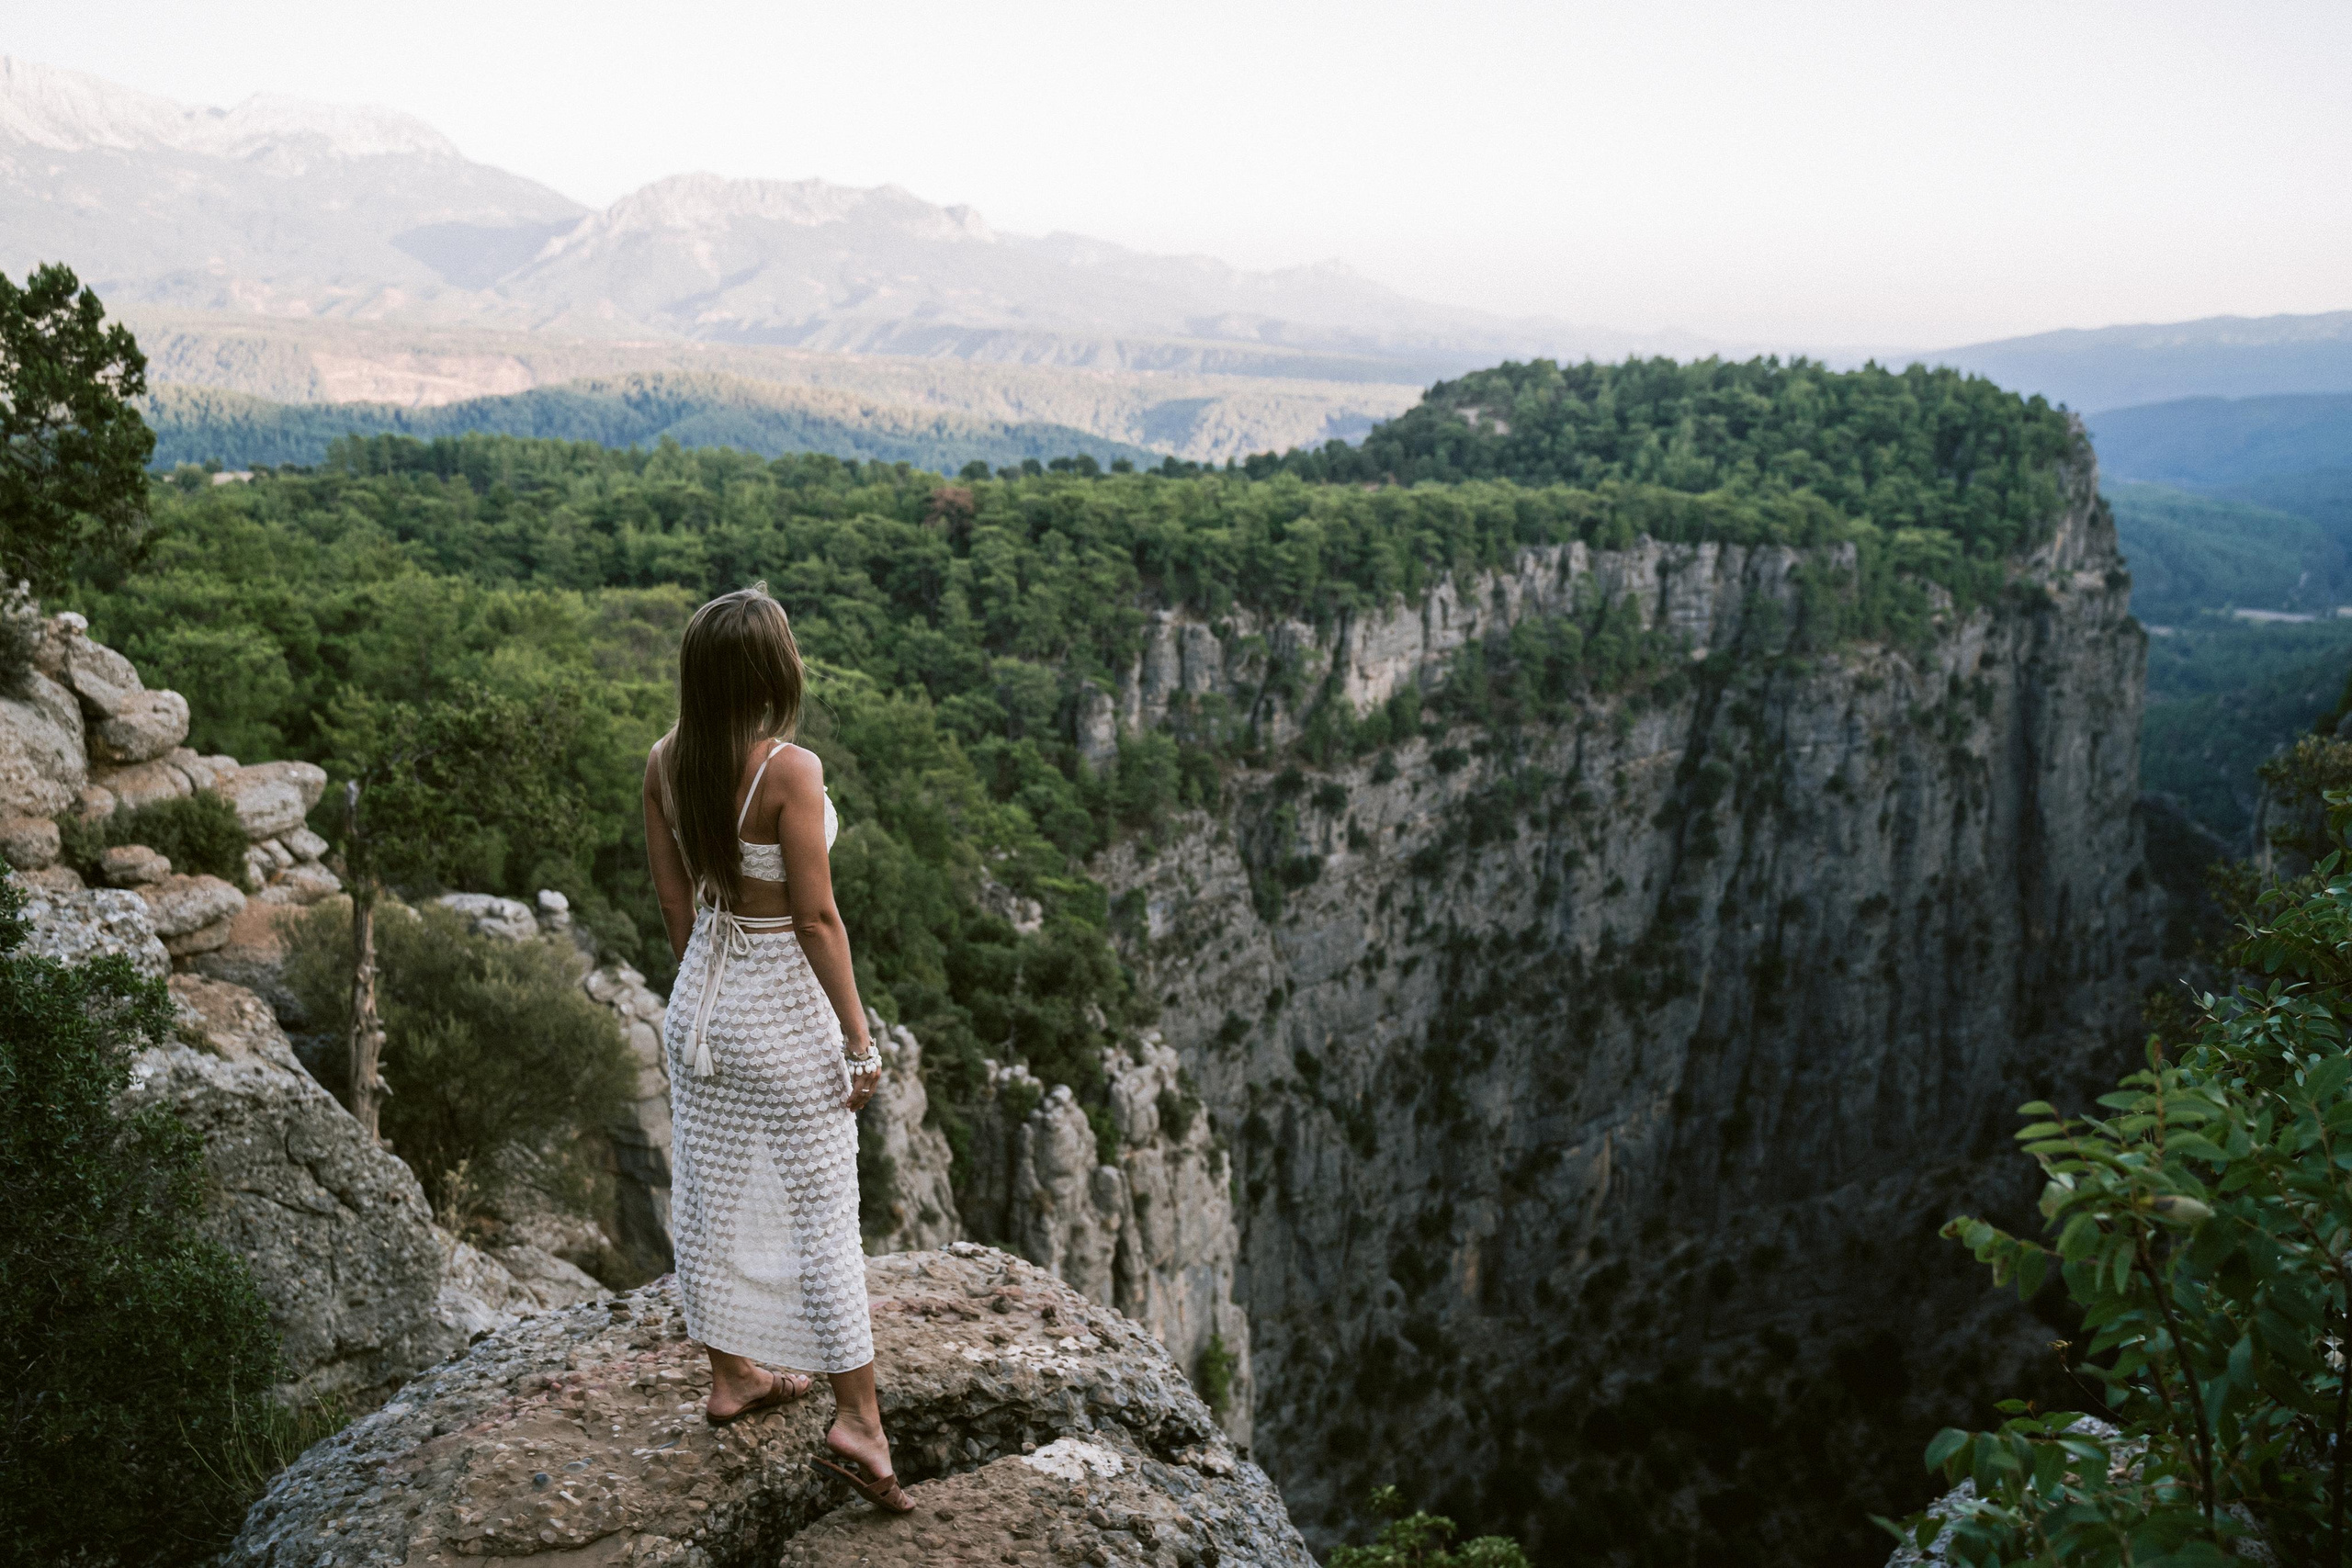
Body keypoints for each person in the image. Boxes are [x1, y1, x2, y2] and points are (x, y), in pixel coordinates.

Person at [642, 584, 913, 1514]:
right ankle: (860, 1423)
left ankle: (733, 1377)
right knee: (822, 1217)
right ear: (771, 672)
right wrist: (859, 1039)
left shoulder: (664, 761)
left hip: (701, 1012)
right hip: (783, 1013)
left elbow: (679, 908)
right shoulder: (790, 770)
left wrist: (706, 1012)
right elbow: (816, 918)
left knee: (711, 1197)